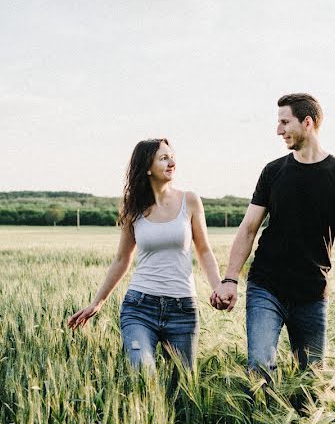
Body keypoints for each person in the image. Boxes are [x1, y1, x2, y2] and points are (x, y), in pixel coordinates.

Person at [212, 94, 335, 376]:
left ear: (307, 123)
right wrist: (229, 280)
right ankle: (263, 419)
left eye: (285, 122)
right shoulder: (273, 172)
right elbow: (249, 228)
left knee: (312, 379)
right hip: (266, 286)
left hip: (311, 292)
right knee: (259, 368)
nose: (278, 130)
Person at [67, 138, 222, 370]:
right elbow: (122, 259)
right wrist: (97, 302)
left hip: (182, 309)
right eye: (163, 158)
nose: (172, 163)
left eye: (172, 157)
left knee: (180, 386)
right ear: (147, 168)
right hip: (140, 307)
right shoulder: (133, 208)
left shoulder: (189, 200)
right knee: (143, 375)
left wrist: (218, 287)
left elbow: (204, 251)